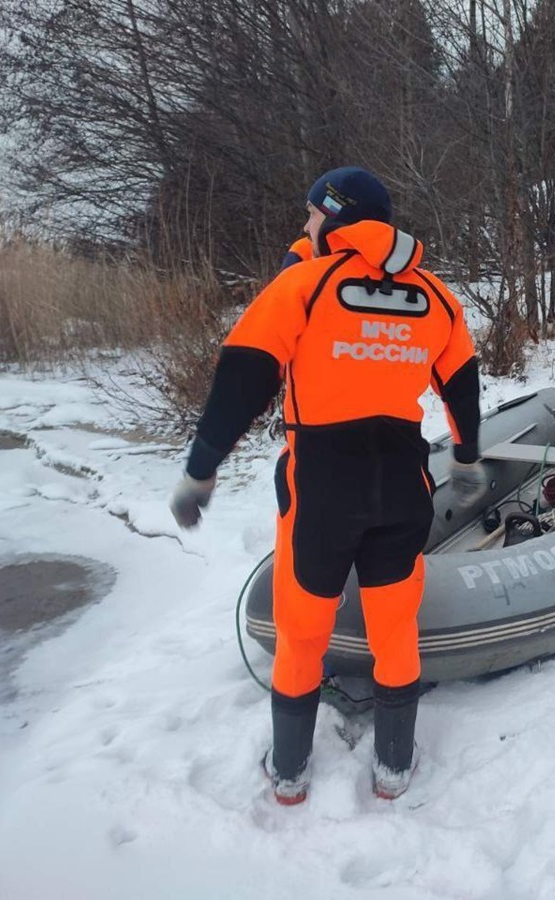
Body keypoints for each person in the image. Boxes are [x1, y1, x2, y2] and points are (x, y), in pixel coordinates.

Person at [168, 167, 485, 805]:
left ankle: (289, 773)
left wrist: (202, 467)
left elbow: (244, 378)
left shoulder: (303, 286)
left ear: (335, 217)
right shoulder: (434, 294)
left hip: (321, 489)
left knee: (304, 630)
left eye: (312, 214)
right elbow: (463, 383)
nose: (305, 225)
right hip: (402, 485)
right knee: (393, 627)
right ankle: (393, 766)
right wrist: (470, 458)